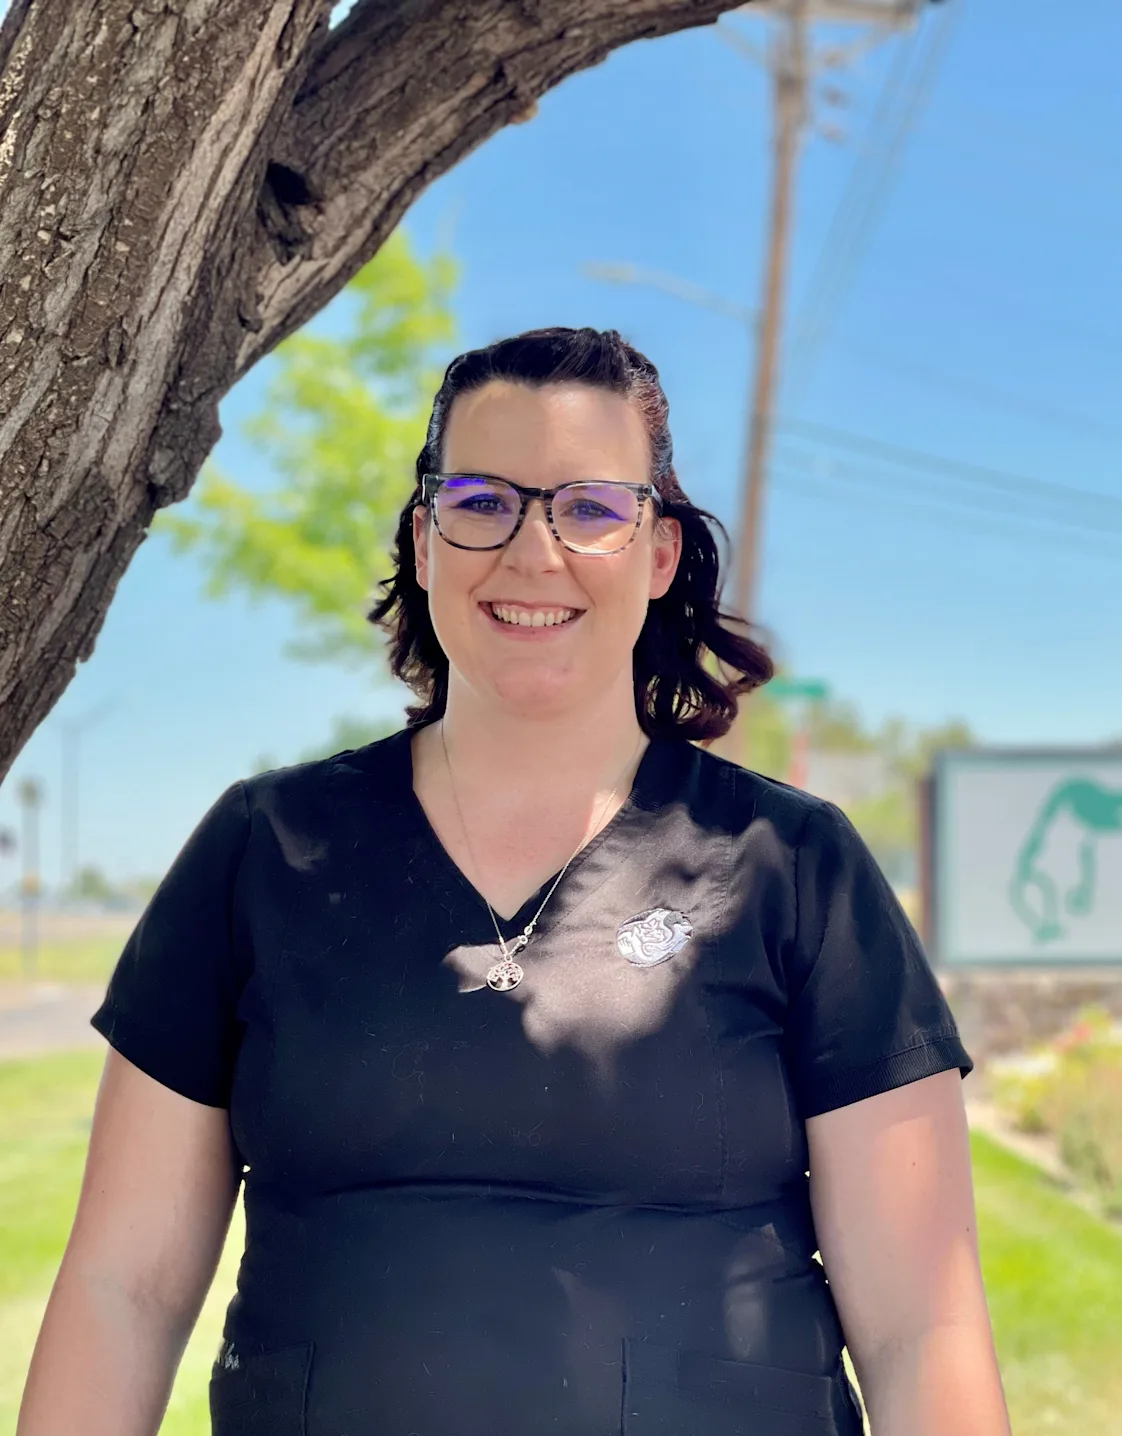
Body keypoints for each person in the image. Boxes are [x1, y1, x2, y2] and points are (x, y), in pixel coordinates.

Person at [19, 327, 1011, 1436]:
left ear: (660, 552)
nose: (533, 552)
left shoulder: (794, 866)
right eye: (482, 500)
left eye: (590, 507)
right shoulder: (264, 850)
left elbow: (922, 1324)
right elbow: (125, 1289)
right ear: (425, 539)